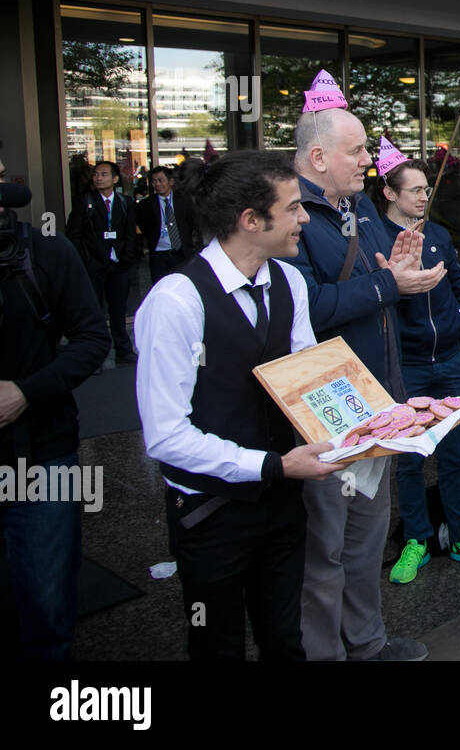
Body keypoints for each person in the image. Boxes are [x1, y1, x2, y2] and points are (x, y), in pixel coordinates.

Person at [134, 151, 344, 660]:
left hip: (281, 501)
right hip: (211, 512)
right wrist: (271, 465)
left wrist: (385, 421)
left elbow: (308, 383)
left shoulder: (290, 283)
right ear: (251, 221)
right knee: (217, 643)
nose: (304, 219)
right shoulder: (176, 300)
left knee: (284, 639)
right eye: (294, 207)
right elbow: (165, 435)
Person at [286, 75, 440, 661]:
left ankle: (368, 643)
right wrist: (386, 284)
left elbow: (380, 284)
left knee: (367, 535)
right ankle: (325, 652)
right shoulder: (292, 216)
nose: (368, 161)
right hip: (323, 405)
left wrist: (400, 276)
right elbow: (309, 307)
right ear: (318, 156)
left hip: (375, 397)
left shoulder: (359, 210)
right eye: (357, 151)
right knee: (323, 547)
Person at [374, 156, 460, 583]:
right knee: (411, 459)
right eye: (414, 190)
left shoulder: (436, 233)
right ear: (389, 193)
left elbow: (457, 285)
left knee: (454, 456)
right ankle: (417, 539)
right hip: (409, 369)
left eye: (425, 189)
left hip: (450, 362)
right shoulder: (374, 238)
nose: (423, 197)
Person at [0, 178, 110, 659]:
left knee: (46, 601)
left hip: (43, 454)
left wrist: (25, 392)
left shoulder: (43, 252)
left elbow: (92, 338)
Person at [65, 160, 139, 365]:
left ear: (115, 179)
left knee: (118, 312)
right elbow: (74, 234)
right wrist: (85, 260)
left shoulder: (125, 202)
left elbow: (130, 233)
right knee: (94, 312)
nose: (98, 178)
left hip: (118, 265)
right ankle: (95, 357)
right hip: (94, 265)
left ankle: (123, 351)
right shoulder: (84, 202)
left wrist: (126, 258)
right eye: (96, 174)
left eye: (104, 174)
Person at [138, 165, 200, 285]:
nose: (157, 184)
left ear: (170, 181)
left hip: (182, 252)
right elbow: (144, 226)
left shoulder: (184, 200)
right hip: (159, 254)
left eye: (160, 180)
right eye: (154, 181)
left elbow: (192, 223)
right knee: (160, 285)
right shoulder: (145, 205)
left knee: (184, 285)